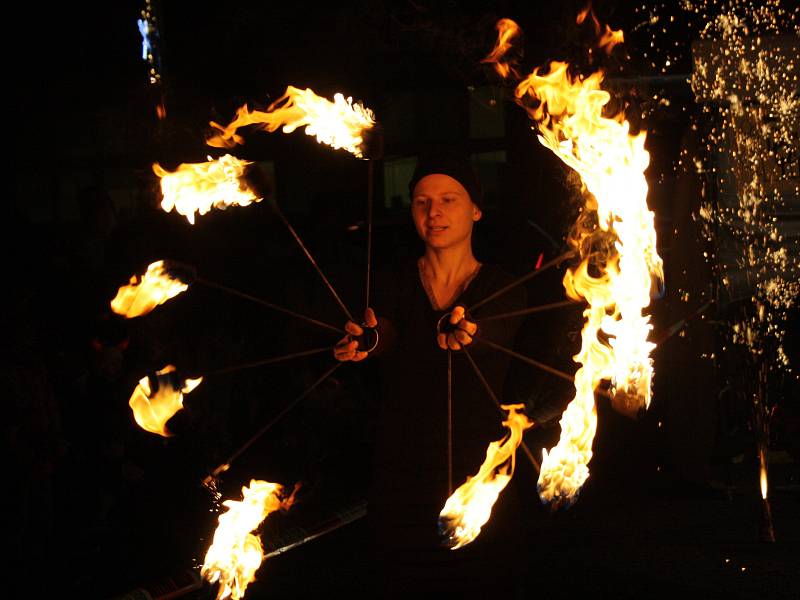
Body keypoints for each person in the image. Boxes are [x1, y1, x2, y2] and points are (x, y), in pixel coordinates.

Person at [334, 152, 528, 595]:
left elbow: (494, 328)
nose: (434, 212)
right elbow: (387, 330)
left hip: (480, 470)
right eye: (422, 201)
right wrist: (367, 341)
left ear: (475, 209)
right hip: (400, 474)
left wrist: (468, 331)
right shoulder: (392, 281)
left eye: (448, 199)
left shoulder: (504, 286)